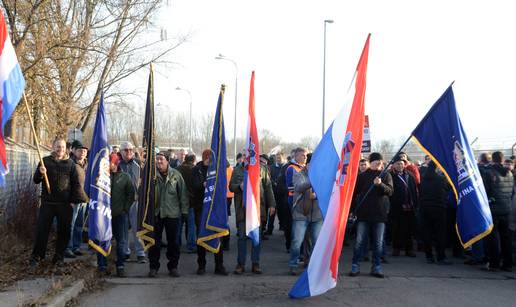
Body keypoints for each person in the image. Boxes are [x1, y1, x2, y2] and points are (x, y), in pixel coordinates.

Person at [31, 138, 88, 266]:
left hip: (64, 203)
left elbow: (75, 184)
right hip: (48, 203)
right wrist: (40, 173)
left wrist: (74, 201)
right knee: (42, 230)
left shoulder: (70, 164)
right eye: (58, 147)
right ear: (53, 147)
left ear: (66, 149)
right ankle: (37, 257)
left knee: (64, 232)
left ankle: (59, 257)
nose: (60, 149)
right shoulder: (45, 161)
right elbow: (36, 180)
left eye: (62, 147)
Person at [230, 152, 276, 274]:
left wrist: (272, 204)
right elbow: (231, 187)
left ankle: (255, 264)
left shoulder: (262, 169)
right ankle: (240, 264)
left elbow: (268, 187)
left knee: (257, 238)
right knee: (242, 238)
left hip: (257, 210)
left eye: (250, 155)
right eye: (245, 155)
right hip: (242, 209)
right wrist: (239, 186)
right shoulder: (237, 169)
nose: (247, 157)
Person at [349, 152, 393, 278]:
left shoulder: (386, 175)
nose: (379, 164)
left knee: (378, 243)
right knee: (359, 242)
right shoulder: (362, 176)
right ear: (371, 162)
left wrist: (380, 184)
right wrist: (352, 210)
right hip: (363, 215)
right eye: (376, 161)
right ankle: (355, 265)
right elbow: (353, 194)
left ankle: (376, 267)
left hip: (380, 215)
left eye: (380, 162)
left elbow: (390, 191)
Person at [148, 152, 189, 277]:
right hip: (156, 213)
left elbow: (183, 195)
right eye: (157, 159)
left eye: (161, 159)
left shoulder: (176, 175)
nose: (159, 162)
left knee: (174, 242)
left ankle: (173, 267)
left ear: (167, 161)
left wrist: (184, 212)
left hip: (173, 214)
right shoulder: (151, 176)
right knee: (154, 242)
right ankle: (153, 267)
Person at [191, 149, 228, 275]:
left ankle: (219, 265)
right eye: (206, 157)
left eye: (210, 157)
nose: (208, 160)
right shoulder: (197, 169)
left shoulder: (217, 170)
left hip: (215, 208)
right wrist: (203, 184)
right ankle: (201, 265)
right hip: (201, 207)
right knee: (201, 236)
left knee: (218, 235)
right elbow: (193, 187)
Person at [97, 154, 135, 277]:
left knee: (121, 241)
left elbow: (130, 195)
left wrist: (125, 209)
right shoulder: (102, 176)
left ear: (116, 163)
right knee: (102, 240)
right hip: (104, 215)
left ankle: (120, 265)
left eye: (111, 163)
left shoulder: (125, 177)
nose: (109, 165)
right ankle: (102, 266)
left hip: (120, 215)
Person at [289, 153, 322, 275]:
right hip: (301, 215)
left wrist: (317, 195)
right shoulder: (298, 175)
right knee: (297, 242)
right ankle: (293, 264)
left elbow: (327, 192)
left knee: (316, 242)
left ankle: (312, 265)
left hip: (317, 215)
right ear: (307, 165)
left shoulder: (322, 176)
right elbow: (299, 187)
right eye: (311, 165)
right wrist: (312, 181)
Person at [483, 151, 514, 272]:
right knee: (506, 237)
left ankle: (494, 263)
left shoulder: (489, 173)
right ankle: (508, 264)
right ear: (502, 159)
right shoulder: (510, 174)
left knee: (493, 237)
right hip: (506, 208)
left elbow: (485, 191)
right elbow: (511, 192)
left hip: (494, 209)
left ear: (493, 159)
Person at [119, 141, 147, 263]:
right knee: (123, 228)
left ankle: (140, 252)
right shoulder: (117, 165)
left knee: (137, 229)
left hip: (135, 202)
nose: (129, 152)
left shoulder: (138, 164)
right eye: (126, 150)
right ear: (121, 151)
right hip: (120, 202)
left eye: (130, 149)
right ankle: (125, 252)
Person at [420, 161, 452, 264]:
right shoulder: (440, 179)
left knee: (427, 233)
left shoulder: (423, 179)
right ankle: (441, 257)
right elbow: (448, 188)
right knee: (440, 234)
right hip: (439, 208)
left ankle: (429, 256)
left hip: (425, 208)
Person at [389, 154, 418, 257]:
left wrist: (414, 203)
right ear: (394, 165)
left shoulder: (410, 175)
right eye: (397, 164)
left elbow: (414, 190)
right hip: (397, 206)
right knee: (397, 229)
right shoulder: (390, 175)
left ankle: (409, 249)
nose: (400, 166)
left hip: (410, 206)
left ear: (404, 164)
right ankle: (396, 248)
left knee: (409, 229)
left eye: (401, 164)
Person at [64, 141, 89, 258]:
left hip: (84, 199)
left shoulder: (87, 164)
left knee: (79, 225)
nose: (83, 153)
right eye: (80, 150)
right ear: (74, 151)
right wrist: (69, 199)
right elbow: (66, 183)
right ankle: (68, 248)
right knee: (71, 225)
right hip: (73, 200)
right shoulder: (70, 164)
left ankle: (76, 246)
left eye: (84, 151)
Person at [176, 153, 197, 253]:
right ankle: (191, 245)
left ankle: (176, 244)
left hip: (179, 200)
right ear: (193, 160)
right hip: (192, 201)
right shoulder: (195, 169)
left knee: (178, 224)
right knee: (191, 225)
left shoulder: (178, 169)